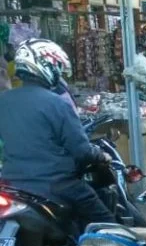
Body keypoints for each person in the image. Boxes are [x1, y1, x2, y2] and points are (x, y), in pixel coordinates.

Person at [0, 39, 115, 228]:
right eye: (57, 68)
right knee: (108, 225)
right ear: (47, 67)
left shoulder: (3, 101)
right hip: (56, 184)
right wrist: (100, 155)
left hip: (11, 185)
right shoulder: (57, 103)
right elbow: (81, 151)